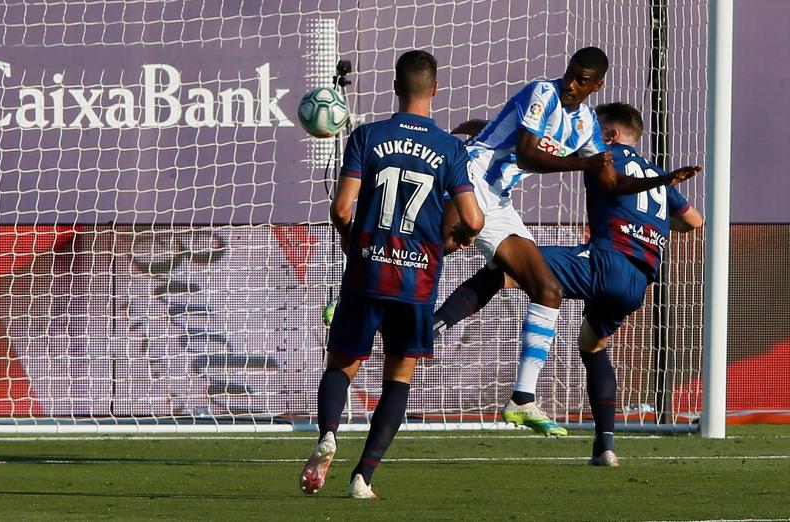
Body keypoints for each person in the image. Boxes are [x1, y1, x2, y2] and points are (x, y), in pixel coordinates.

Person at [434, 48, 702, 435]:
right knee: (439, 246)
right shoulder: (543, 92)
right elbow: (527, 154)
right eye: (571, 75)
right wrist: (584, 162)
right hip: (471, 180)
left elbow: (612, 183)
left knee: (547, 288)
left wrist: (663, 180)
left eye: (582, 80)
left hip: (501, 200)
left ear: (597, 85)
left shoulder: (588, 125)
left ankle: (522, 398)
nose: (572, 85)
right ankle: (356, 297)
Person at [299, 50, 484, 500]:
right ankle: (363, 477)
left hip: (367, 271)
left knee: (342, 362)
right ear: (435, 90)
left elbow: (342, 209)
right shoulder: (450, 149)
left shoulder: (366, 137)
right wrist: (450, 241)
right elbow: (474, 221)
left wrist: (352, 239)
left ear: (395, 87)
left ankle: (327, 434)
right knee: (399, 377)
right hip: (416, 282)